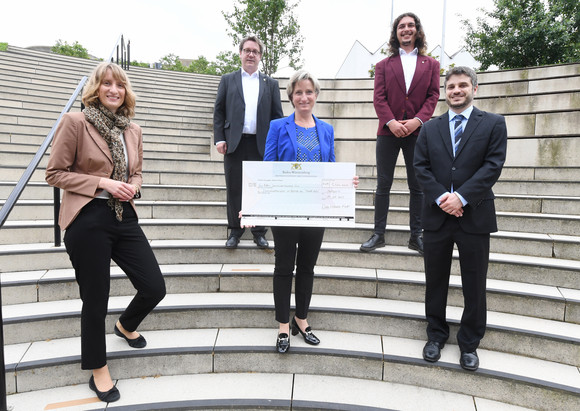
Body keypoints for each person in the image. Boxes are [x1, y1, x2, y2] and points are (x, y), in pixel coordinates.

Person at [46, 62, 166, 402]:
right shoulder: (76, 122)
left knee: (154, 286)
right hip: (87, 217)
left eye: (120, 85)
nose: (114, 89)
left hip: (122, 215)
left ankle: (125, 325)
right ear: (96, 88)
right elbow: (55, 173)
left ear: (126, 92)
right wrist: (102, 182)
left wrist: (132, 187)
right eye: (107, 83)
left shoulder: (134, 130)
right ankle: (98, 369)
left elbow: (138, 173)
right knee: (96, 299)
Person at [414, 66, 507, 371]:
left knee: (474, 283)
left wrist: (462, 197)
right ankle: (436, 336)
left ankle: (469, 343)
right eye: (451, 86)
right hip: (437, 216)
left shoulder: (493, 124)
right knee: (435, 281)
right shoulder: (429, 128)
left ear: (474, 89)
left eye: (462, 85)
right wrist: (444, 198)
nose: (456, 90)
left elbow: (492, 166)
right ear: (446, 91)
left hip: (474, 215)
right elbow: (421, 168)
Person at [263, 70, 358, 353]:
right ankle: (282, 325)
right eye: (298, 92)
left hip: (317, 209)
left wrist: (345, 181)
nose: (303, 97)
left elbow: (330, 166)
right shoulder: (278, 126)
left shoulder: (326, 129)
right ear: (291, 97)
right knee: (283, 267)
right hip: (285, 207)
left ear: (315, 96)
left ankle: (301, 319)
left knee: (307, 267)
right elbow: (268, 166)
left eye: (309, 92)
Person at [360, 12, 440, 254]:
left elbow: (433, 96)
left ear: (417, 30)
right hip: (387, 133)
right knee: (383, 184)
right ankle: (378, 234)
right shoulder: (383, 65)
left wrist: (417, 121)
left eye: (410, 25)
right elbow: (379, 98)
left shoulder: (432, 64)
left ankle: (416, 235)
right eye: (401, 26)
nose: (406, 29)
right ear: (396, 33)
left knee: (417, 186)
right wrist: (391, 122)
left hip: (417, 133)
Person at [213, 34, 284, 249]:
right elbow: (219, 111)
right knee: (234, 187)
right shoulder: (228, 80)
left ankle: (259, 232)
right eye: (247, 50)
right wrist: (219, 138)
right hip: (234, 143)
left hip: (261, 145)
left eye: (255, 51)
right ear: (240, 53)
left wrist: (277, 145)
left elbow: (277, 116)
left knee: (260, 188)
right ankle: (235, 231)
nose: (251, 54)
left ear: (260, 56)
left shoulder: (271, 84)